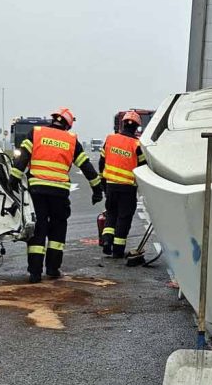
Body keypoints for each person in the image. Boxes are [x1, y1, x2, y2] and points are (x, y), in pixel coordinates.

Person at [11, 107, 102, 283]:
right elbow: (87, 168)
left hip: (37, 190)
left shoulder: (36, 133)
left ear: (53, 120)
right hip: (59, 192)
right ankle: (53, 269)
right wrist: (97, 191)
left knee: (38, 229)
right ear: (68, 125)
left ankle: (35, 273)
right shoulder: (71, 140)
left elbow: (21, 159)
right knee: (58, 229)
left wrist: (13, 181)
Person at [99, 109, 147, 260]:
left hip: (111, 185)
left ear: (123, 124)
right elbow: (143, 166)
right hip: (127, 188)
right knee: (124, 218)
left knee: (111, 214)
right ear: (136, 127)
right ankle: (118, 250)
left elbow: (101, 163)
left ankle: (107, 241)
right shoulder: (136, 145)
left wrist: (103, 183)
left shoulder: (110, 139)